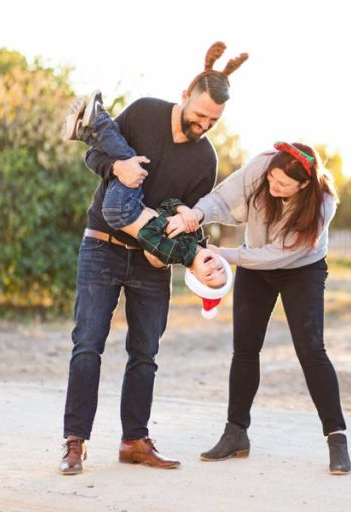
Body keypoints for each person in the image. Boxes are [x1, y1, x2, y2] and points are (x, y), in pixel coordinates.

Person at [58, 41, 248, 475]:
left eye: (213, 121)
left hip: (151, 262)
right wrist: (117, 169)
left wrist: (184, 239)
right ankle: (75, 442)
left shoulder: (206, 158)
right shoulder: (144, 112)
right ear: (186, 94)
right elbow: (93, 154)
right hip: (102, 248)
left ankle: (135, 441)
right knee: (87, 344)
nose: (203, 125)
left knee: (145, 353)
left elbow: (191, 219)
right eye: (199, 115)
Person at [170, 141, 351, 475]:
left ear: (304, 185)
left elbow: (278, 255)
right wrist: (196, 215)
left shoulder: (323, 203)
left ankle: (336, 439)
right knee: (244, 349)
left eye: (283, 185)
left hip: (302, 270)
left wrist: (226, 255)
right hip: (255, 265)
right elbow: (225, 196)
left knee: (311, 350)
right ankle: (235, 432)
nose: (273, 186)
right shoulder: (263, 166)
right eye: (272, 179)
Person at [63, 90, 231, 291]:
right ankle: (83, 131)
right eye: (221, 269)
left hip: (121, 212)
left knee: (134, 165)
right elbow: (167, 205)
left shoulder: (174, 253)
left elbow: (147, 239)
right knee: (131, 164)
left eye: (209, 275)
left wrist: (158, 241)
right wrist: (182, 210)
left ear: (194, 275)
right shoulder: (194, 233)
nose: (214, 267)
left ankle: (97, 120)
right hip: (123, 215)